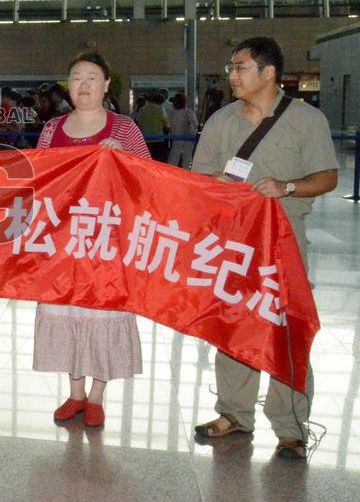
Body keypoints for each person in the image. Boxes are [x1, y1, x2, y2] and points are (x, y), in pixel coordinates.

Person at [191, 37, 338, 460]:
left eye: (239, 68)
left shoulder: (306, 120)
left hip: (283, 241)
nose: (231, 76)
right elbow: (199, 180)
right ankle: (234, 414)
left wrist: (287, 187)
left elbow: (327, 176)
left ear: (268, 72)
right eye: (231, 68)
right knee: (233, 323)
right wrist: (214, 184)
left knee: (284, 326)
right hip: (233, 241)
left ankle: (290, 426)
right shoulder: (221, 121)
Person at [32, 52, 150, 428]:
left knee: (103, 310)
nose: (83, 85)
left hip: (107, 240)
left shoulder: (124, 129)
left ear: (106, 85)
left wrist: (125, 162)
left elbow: (149, 180)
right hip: (64, 239)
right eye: (76, 78)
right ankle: (76, 392)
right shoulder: (53, 129)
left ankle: (98, 395)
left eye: (91, 78)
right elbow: (39, 177)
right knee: (67, 311)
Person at [166, 93, 198, 168]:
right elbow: (196, 125)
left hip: (176, 139)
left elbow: (167, 127)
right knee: (187, 161)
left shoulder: (171, 113)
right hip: (189, 139)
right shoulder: (188, 112)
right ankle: (187, 177)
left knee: (173, 161)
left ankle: (171, 177)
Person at [135, 93, 170, 161]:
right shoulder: (160, 109)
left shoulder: (142, 109)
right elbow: (165, 123)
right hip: (158, 138)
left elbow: (138, 123)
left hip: (146, 139)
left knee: (147, 159)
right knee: (158, 159)